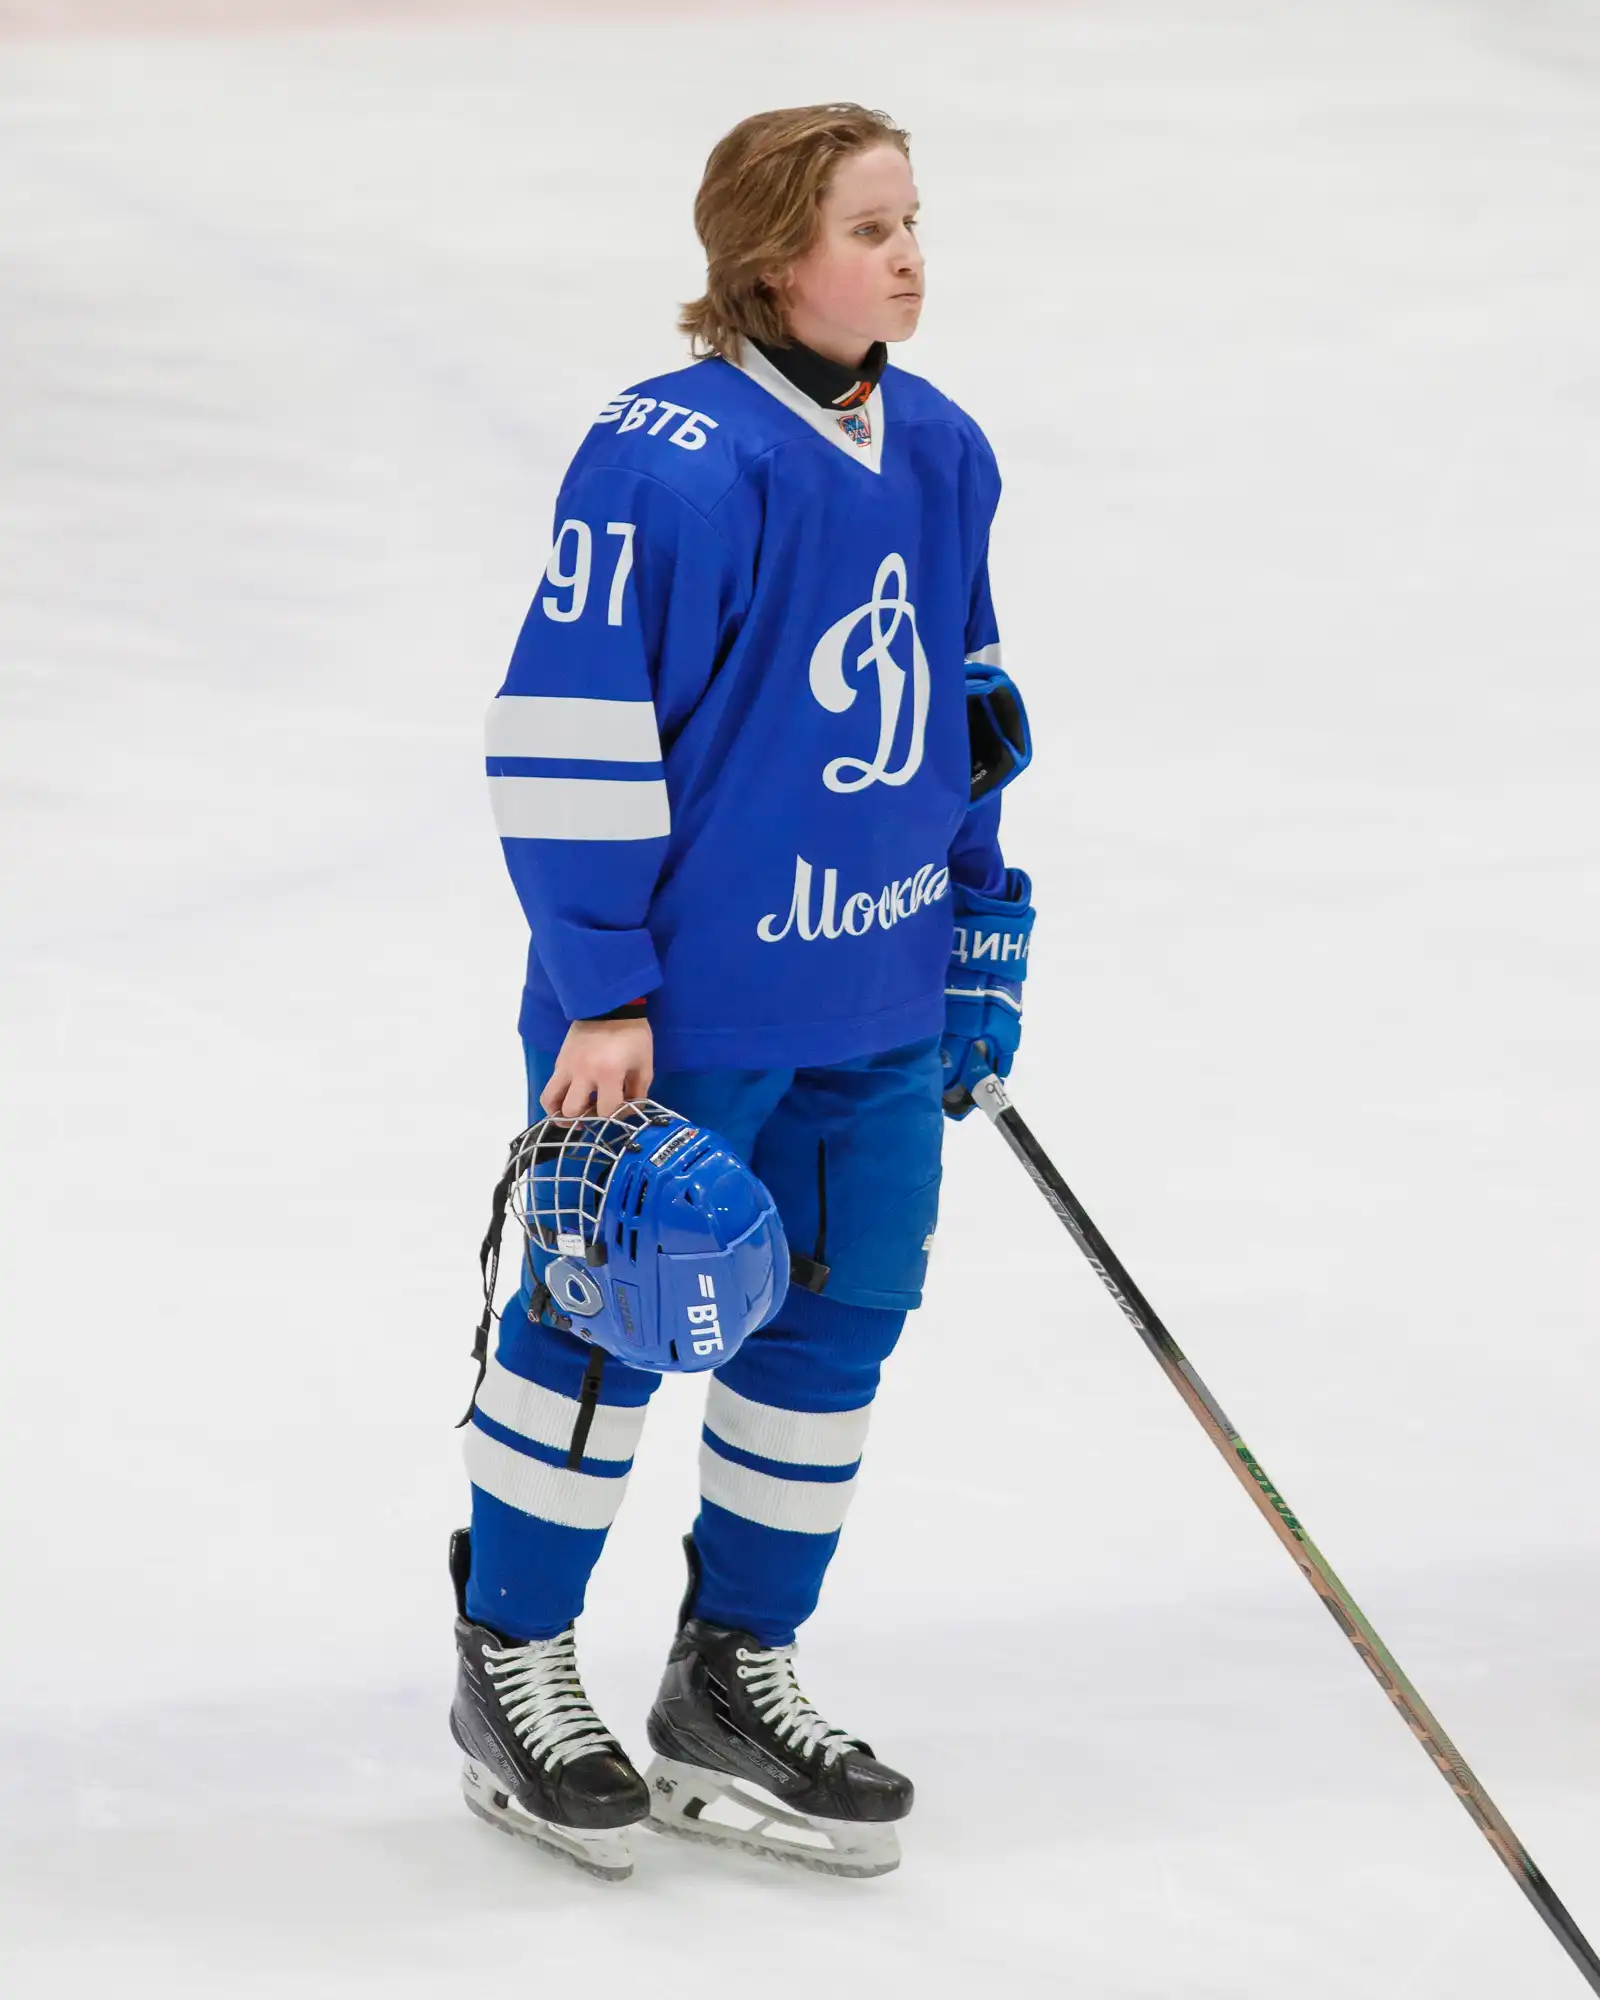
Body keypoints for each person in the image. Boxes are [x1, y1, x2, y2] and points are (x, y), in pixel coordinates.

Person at [449, 102, 1036, 1881]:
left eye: (914, 221)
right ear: (773, 257)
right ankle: (513, 1659)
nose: (910, 257)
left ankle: (731, 1675)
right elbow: (565, 733)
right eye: (870, 228)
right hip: (680, 1019)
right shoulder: (673, 463)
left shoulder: (941, 449)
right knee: (606, 1313)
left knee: (834, 1335)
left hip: (875, 998)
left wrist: (979, 931)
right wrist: (600, 988)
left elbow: (967, 709)